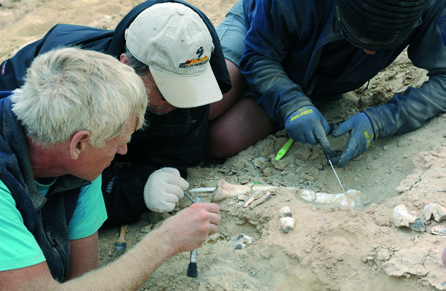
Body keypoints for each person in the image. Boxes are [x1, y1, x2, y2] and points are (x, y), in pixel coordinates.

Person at [0, 47, 221, 289]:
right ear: (79, 144)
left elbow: (82, 278)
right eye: (118, 143)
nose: (123, 152)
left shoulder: (78, 166)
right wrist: (164, 241)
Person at [0, 0, 231, 225]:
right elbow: (54, 185)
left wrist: (156, 176)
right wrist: (135, 191)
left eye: (191, 86)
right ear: (126, 65)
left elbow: (178, 155)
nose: (181, 102)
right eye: (167, 89)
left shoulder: (189, 68)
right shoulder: (62, 92)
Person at [206, 0, 446, 167]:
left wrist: (381, 120)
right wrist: (290, 103)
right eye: (358, 37)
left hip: (320, 79)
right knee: (208, 102)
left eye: (381, 45)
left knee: (223, 140)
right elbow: (259, 55)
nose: (369, 52)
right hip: (255, 33)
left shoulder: (431, 4)